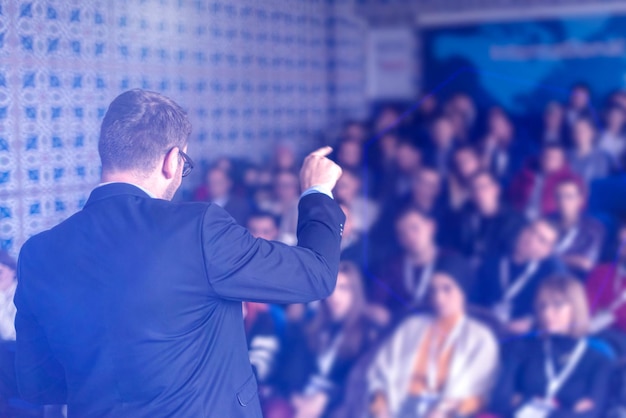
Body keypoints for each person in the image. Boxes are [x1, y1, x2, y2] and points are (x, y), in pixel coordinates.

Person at [15, 89, 345, 418]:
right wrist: (318, 191)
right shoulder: (197, 228)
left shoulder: (38, 253)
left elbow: (37, 384)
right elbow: (315, 274)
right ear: (172, 160)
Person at [368, 258, 499, 418]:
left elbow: (480, 394)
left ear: (463, 291)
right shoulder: (411, 326)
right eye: (433, 290)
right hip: (398, 407)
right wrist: (381, 407)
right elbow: (380, 373)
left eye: (447, 289)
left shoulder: (480, 338)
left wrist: (444, 411)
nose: (439, 298)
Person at [489, 275, 613, 418]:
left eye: (557, 305)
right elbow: (499, 401)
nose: (547, 313)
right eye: (542, 306)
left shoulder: (599, 361)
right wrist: (566, 410)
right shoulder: (521, 348)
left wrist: (523, 400)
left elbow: (591, 414)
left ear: (576, 307)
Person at [275, 262, 385, 418]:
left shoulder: (367, 334)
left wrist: (324, 398)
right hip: (300, 400)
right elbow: (289, 374)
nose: (335, 297)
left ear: (355, 293)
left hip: (337, 405)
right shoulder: (311, 329)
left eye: (343, 288)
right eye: (331, 289)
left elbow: (358, 383)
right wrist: (297, 400)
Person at [371, 208, 471, 321]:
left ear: (431, 227)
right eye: (402, 233)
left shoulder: (453, 261)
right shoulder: (391, 266)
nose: (410, 237)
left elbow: (467, 303)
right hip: (401, 327)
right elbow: (377, 303)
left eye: (415, 228)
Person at [475, 218, 564, 335]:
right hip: (480, 324)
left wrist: (531, 322)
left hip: (518, 337)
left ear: (547, 251)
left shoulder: (549, 277)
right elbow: (474, 295)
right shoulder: (493, 257)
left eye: (541, 240)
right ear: (523, 230)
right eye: (531, 231)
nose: (531, 239)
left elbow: (551, 313)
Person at [445, 170, 526, 268]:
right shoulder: (462, 217)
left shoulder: (515, 222)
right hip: (464, 269)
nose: (479, 192)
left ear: (496, 189)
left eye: (483, 187)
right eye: (474, 189)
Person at [508, 144, 581, 219]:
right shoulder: (524, 175)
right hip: (519, 219)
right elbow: (510, 198)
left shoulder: (573, 180)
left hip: (552, 222)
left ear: (562, 161)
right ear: (540, 158)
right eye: (546, 157)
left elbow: (577, 207)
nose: (549, 161)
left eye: (554, 158)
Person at [550, 178, 604, 278]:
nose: (563, 201)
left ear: (580, 200)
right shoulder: (548, 220)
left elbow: (586, 263)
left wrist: (552, 257)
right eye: (559, 196)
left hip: (573, 279)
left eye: (569, 197)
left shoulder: (594, 227)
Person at [568, 117, 611, 184]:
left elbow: (601, 182)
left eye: (584, 130)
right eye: (576, 130)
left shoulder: (602, 157)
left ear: (592, 132)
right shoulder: (566, 155)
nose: (580, 134)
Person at [598, 104, 626, 169]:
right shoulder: (597, 135)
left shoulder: (624, 138)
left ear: (623, 118)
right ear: (606, 117)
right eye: (612, 116)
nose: (614, 119)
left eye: (618, 117)